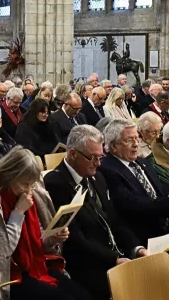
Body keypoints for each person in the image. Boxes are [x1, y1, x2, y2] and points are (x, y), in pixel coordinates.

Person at [0, 148, 90, 300]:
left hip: (36, 264)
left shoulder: (27, 192)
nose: (29, 189)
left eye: (32, 184)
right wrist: (17, 213)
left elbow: (38, 240)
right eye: (25, 184)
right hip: (11, 275)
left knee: (83, 295)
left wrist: (54, 237)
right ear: (10, 175)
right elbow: (1, 252)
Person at [44, 125, 145, 300]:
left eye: (100, 157)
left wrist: (136, 248)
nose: (98, 163)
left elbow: (115, 220)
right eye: (92, 158)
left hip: (114, 253)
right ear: (73, 154)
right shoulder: (56, 183)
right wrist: (113, 259)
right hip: (87, 263)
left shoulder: (97, 177)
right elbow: (76, 239)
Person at [97, 118, 169, 245]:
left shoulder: (142, 162)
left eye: (137, 138)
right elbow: (132, 204)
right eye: (129, 140)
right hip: (143, 238)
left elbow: (160, 195)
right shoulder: (106, 169)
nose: (136, 144)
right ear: (114, 146)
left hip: (168, 229)